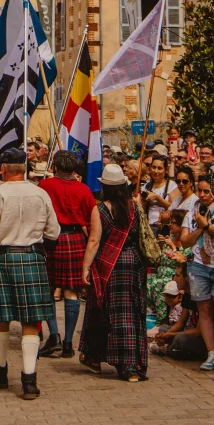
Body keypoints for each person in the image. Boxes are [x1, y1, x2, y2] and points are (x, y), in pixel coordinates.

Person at [0, 147, 60, 400]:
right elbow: (54, 233)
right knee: (29, 320)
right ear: (24, 167)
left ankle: (1, 371)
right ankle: (29, 381)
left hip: (4, 259)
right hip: (33, 258)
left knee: (2, 316)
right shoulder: (41, 193)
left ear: (2, 169)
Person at [79, 163, 146, 382]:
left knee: (104, 311)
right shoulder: (135, 206)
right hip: (133, 263)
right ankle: (132, 365)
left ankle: (102, 359)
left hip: (109, 264)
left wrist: (85, 267)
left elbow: (94, 241)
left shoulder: (100, 210)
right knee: (131, 313)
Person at [38, 150, 97, 359]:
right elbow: (91, 223)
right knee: (71, 292)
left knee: (47, 289)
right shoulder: (84, 190)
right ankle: (68, 343)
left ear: (55, 166)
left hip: (51, 239)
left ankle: (54, 334)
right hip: (75, 240)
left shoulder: (44, 186)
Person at [180, 175, 214, 374]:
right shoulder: (193, 211)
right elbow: (184, 241)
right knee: (204, 311)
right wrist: (199, 229)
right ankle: (211, 352)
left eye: (207, 191)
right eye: (200, 191)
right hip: (199, 267)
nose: (203, 195)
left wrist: (207, 226)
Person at [141, 155, 177, 234]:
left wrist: (158, 198)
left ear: (166, 170)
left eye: (159, 168)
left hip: (165, 228)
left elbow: (174, 209)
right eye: (154, 167)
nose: (156, 171)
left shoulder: (172, 186)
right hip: (149, 227)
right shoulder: (146, 186)